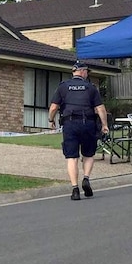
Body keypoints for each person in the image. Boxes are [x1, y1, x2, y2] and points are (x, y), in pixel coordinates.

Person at [48, 61, 110, 200]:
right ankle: (86, 178)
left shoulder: (63, 87)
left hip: (70, 124)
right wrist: (104, 125)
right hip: (88, 123)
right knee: (88, 154)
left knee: (72, 157)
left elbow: (53, 107)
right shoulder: (91, 87)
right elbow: (100, 109)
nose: (87, 74)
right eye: (87, 71)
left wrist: (50, 120)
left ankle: (75, 189)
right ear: (82, 71)